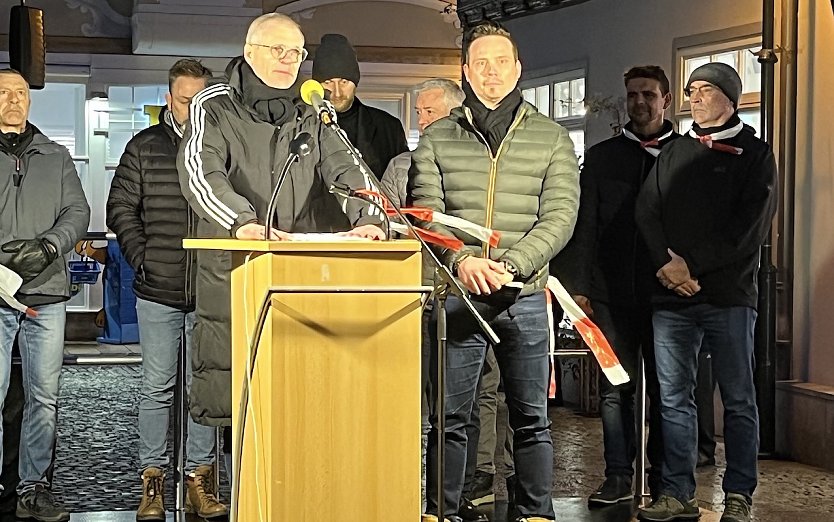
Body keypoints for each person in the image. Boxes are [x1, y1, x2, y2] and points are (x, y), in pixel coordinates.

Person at [177, 13, 385, 428]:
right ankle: (222, 487)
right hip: (235, 269)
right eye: (278, 49)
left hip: (297, 270)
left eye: (296, 52)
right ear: (250, 51)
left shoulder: (313, 109)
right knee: (236, 404)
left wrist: (371, 217)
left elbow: (347, 167)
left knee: (295, 405)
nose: (288, 60)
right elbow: (201, 174)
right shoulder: (213, 105)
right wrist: (242, 223)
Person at [411, 22, 579, 522]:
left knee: (531, 418)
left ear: (517, 68)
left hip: (524, 294)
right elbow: (426, 209)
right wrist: (463, 261)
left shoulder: (552, 137)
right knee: (450, 420)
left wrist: (510, 265)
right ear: (465, 72)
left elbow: (561, 216)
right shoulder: (438, 136)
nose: (491, 72)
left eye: (500, 61)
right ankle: (443, 512)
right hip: (459, 294)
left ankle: (535, 512)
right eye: (480, 63)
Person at [635, 63, 778, 522]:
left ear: (730, 98)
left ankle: (738, 493)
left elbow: (747, 231)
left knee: (738, 398)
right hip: (672, 298)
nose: (695, 98)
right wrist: (665, 265)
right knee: (674, 398)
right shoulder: (674, 150)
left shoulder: (755, 155)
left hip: (729, 297)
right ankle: (677, 492)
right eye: (692, 90)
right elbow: (646, 212)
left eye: (707, 90)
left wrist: (689, 265)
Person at [107, 59, 228, 521]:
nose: (192, 108)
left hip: (209, 288)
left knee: (203, 387)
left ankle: (200, 480)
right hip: (157, 287)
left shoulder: (220, 144)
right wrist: (143, 257)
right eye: (184, 99)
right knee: (157, 387)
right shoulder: (144, 146)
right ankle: (153, 482)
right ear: (169, 98)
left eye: (199, 99)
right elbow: (120, 207)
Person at [555, 65, 678, 506]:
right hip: (609, 295)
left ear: (666, 99)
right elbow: (584, 223)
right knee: (614, 391)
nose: (640, 102)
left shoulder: (683, 155)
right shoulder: (604, 156)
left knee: (669, 393)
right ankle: (617, 477)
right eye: (633, 95)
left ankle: (666, 481)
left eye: (648, 94)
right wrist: (579, 286)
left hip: (668, 298)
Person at [0, 68, 90, 522]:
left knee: (44, 396)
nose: (14, 100)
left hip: (47, 294)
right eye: (3, 93)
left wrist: (48, 246)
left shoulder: (55, 156)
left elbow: (78, 209)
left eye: (20, 93)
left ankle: (33, 488)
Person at [379, 77, 464, 511]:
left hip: (466, 295)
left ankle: (456, 495)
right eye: (419, 113)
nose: (422, 120)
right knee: (416, 404)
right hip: (417, 293)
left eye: (431, 112)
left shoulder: (473, 165)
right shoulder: (400, 166)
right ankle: (410, 495)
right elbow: (385, 222)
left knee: (466, 406)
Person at [312, 33, 409, 180]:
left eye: (344, 82)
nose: (337, 93)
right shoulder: (302, 126)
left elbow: (401, 184)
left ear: (355, 83)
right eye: (328, 82)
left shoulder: (389, 127)